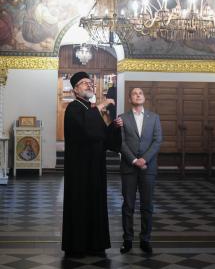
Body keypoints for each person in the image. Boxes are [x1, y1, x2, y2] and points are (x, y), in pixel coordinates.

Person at [62, 71, 122, 257]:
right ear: (75, 89)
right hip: (79, 170)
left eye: (90, 82)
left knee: (96, 204)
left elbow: (102, 138)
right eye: (84, 83)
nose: (89, 85)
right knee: (79, 204)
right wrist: (101, 106)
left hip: (95, 168)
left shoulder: (90, 108)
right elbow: (87, 131)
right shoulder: (73, 108)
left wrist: (114, 127)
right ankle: (77, 245)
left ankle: (96, 243)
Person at [119, 87, 163, 254]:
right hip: (129, 167)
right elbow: (121, 142)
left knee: (147, 206)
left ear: (144, 97)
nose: (138, 95)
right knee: (128, 205)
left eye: (140, 93)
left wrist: (144, 159)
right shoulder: (122, 118)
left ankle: (145, 239)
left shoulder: (154, 118)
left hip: (148, 167)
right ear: (130, 99)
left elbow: (157, 140)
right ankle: (127, 240)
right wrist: (134, 160)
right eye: (134, 93)